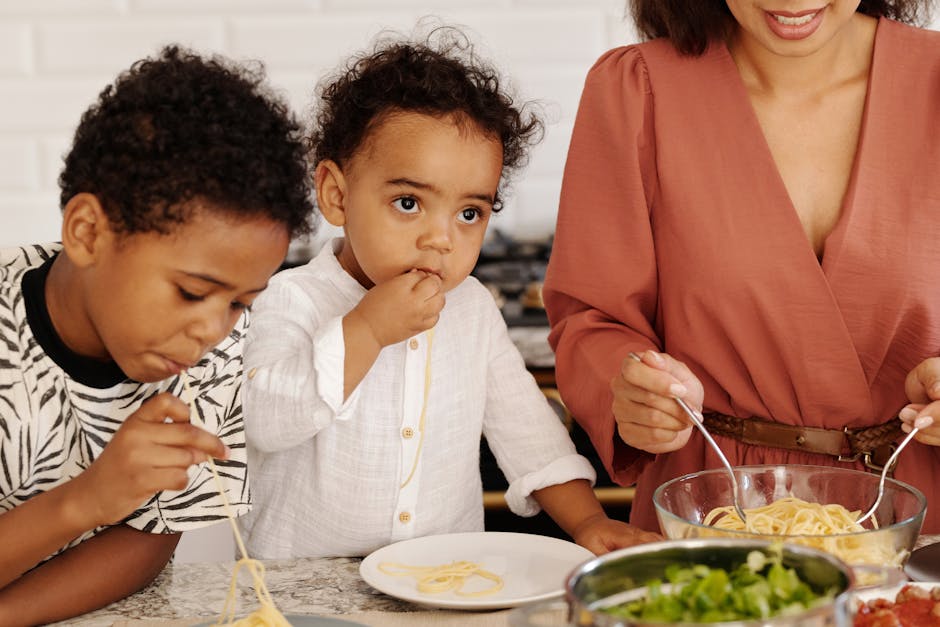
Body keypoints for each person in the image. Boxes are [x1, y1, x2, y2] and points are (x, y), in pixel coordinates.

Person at [239, 27, 661, 560]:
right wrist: (366, 330)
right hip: (301, 591)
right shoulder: (292, 298)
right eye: (409, 202)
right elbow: (265, 421)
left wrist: (589, 522)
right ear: (336, 195)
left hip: (439, 581)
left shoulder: (472, 309)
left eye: (469, 214)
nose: (440, 239)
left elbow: (526, 430)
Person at [542, 0, 940, 534]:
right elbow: (591, 316)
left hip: (919, 513)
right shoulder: (636, 89)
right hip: (712, 508)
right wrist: (632, 389)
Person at [0, 46, 314, 623]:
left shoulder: (211, 360)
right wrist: (89, 499)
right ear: (89, 232)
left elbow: (149, 540)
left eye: (240, 303)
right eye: (193, 292)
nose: (211, 331)